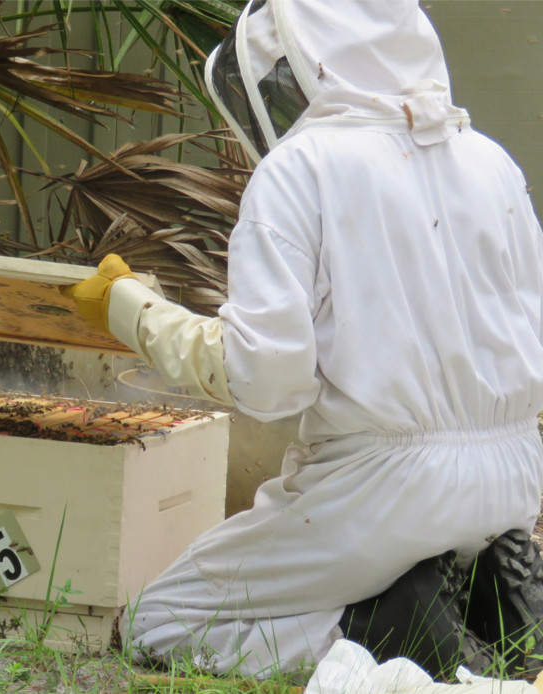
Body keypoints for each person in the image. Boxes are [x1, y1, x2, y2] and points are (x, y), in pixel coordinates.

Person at [61, 0, 543, 681]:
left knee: (158, 621)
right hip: (515, 483)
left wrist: (135, 312)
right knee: (372, 561)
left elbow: (268, 380)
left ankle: (383, 631)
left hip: (379, 494)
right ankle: (481, 599)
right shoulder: (491, 162)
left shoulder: (301, 169)